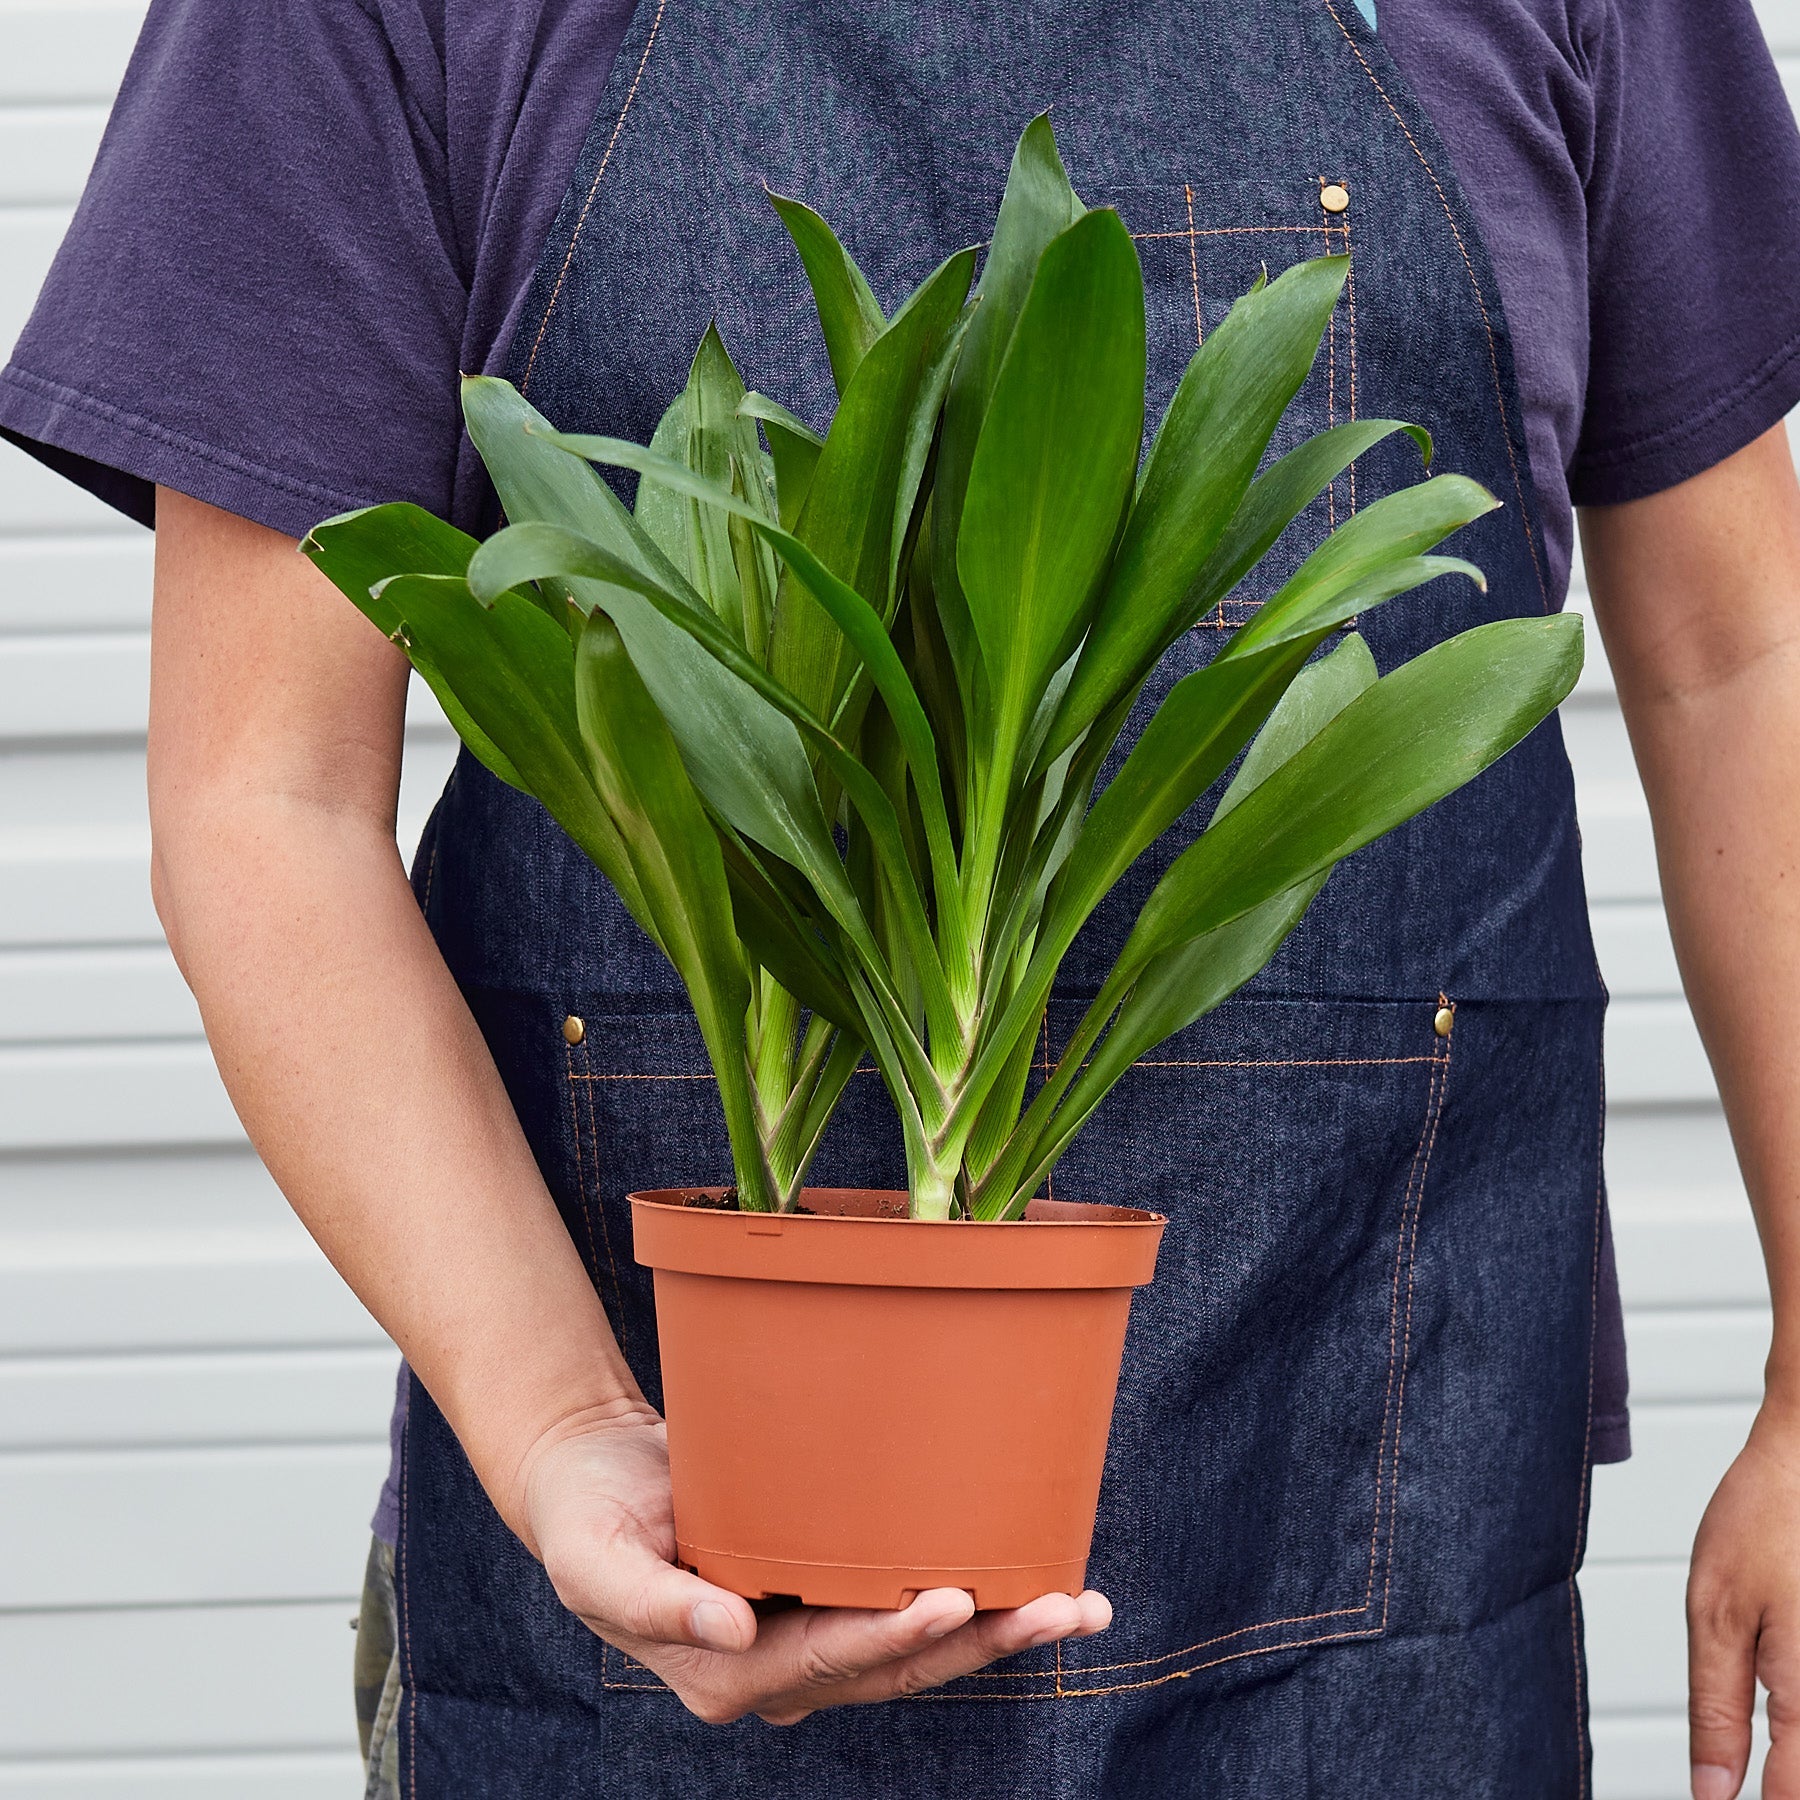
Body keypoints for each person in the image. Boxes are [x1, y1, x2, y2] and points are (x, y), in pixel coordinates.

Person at [6, 0, 1800, 1793]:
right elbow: (265, 794)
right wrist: (558, 1422)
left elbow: (1744, 658)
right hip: (652, 1594)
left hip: (1377, 1572)